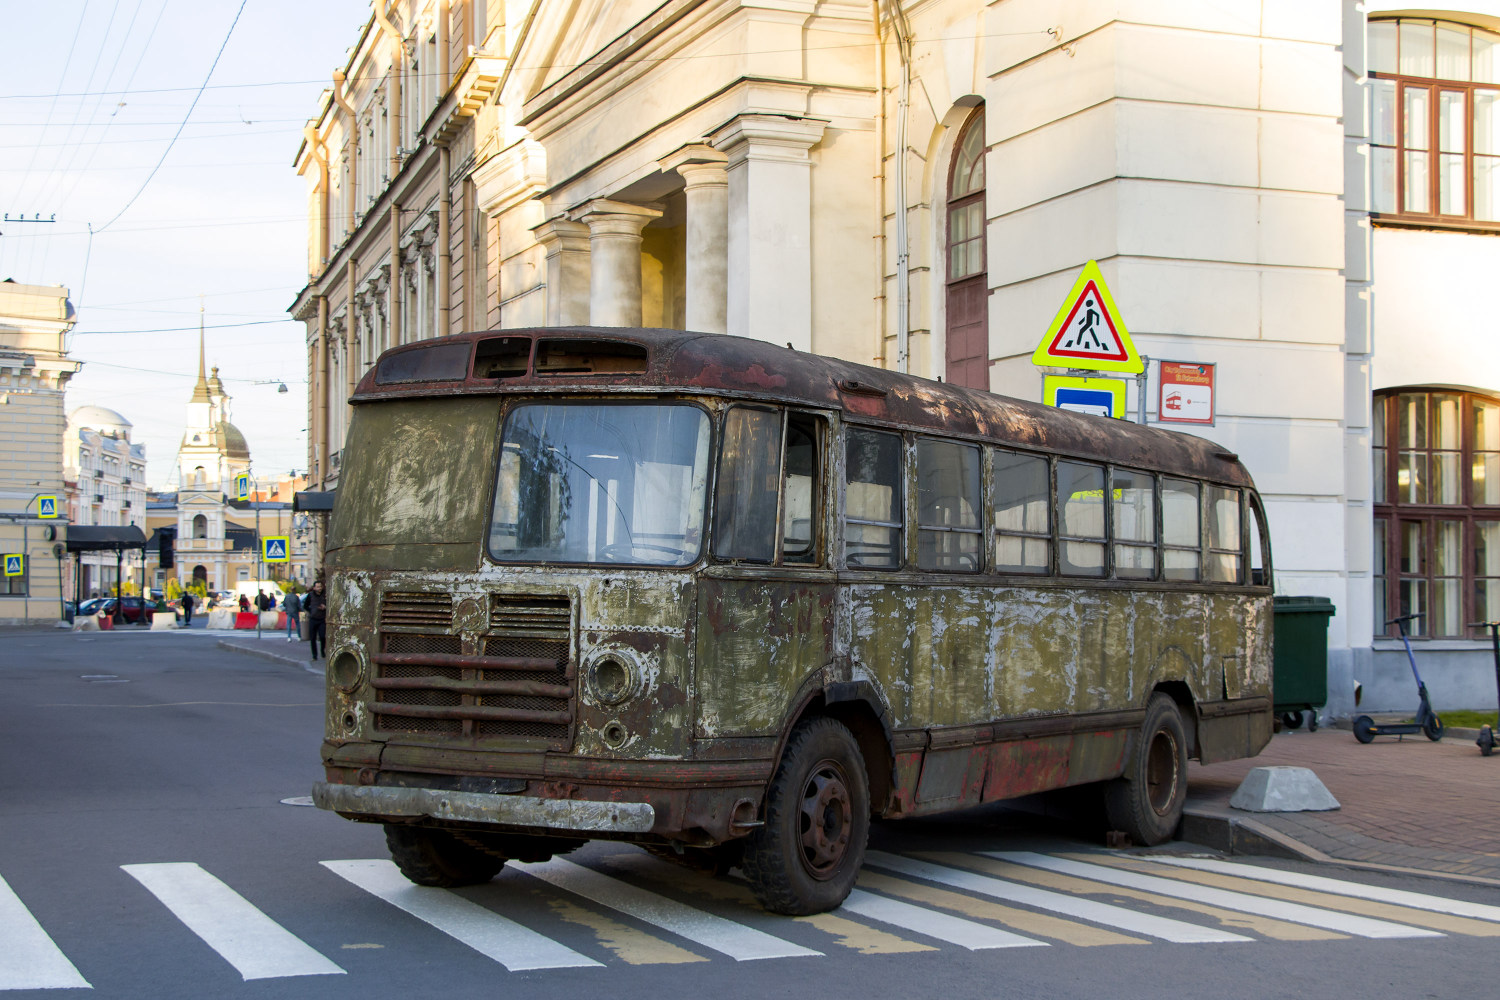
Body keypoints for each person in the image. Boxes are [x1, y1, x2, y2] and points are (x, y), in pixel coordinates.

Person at [304, 580, 327, 661]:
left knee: (322, 636)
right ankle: (314, 655)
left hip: (322, 619)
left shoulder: (325, 595)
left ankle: (322, 651)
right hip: (313, 619)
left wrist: (325, 607)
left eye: (320, 586)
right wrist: (311, 610)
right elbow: (305, 605)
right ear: (314, 588)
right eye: (317, 587)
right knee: (312, 638)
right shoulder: (310, 595)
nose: (319, 588)